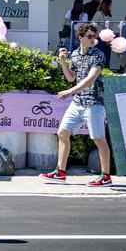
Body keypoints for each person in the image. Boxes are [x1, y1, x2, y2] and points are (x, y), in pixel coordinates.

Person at [39, 23, 112, 187]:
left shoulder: (98, 55)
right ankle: (60, 172)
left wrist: (69, 92)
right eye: (90, 37)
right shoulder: (75, 55)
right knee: (62, 133)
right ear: (80, 38)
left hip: (94, 103)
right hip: (78, 103)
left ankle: (106, 176)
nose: (93, 40)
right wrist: (63, 61)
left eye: (95, 37)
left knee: (99, 139)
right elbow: (71, 77)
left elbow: (90, 79)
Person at [93, 0, 113, 68]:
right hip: (100, 40)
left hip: (107, 41)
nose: (111, 6)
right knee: (100, 59)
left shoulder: (108, 15)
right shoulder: (98, 14)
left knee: (107, 59)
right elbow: (93, 26)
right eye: (110, 5)